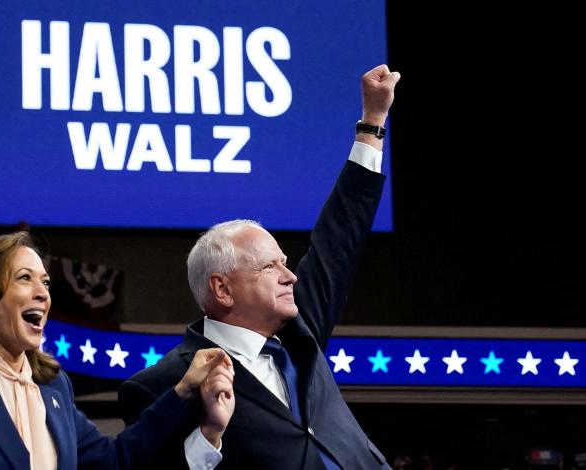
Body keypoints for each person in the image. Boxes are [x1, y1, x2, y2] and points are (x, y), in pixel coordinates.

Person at [118, 64, 400, 469]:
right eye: (271, 267)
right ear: (223, 289)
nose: (290, 276)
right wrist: (208, 436)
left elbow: (339, 239)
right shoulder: (161, 387)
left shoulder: (300, 334)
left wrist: (372, 122)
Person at [0, 232, 235, 469]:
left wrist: (183, 391)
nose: (43, 293)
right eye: (25, 279)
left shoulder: (53, 387)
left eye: (46, 282)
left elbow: (115, 460)